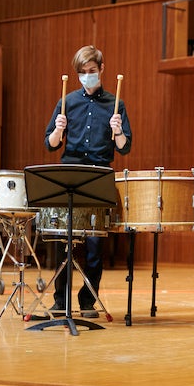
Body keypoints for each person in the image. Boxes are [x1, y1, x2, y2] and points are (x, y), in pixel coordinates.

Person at [43, 45, 132, 318]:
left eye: (91, 71)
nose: (86, 76)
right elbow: (50, 145)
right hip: (70, 171)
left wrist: (117, 131)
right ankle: (60, 300)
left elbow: (124, 148)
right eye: (82, 73)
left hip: (98, 173)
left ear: (101, 69)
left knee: (94, 244)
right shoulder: (66, 101)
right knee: (63, 240)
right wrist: (58, 130)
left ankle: (87, 300)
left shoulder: (115, 104)